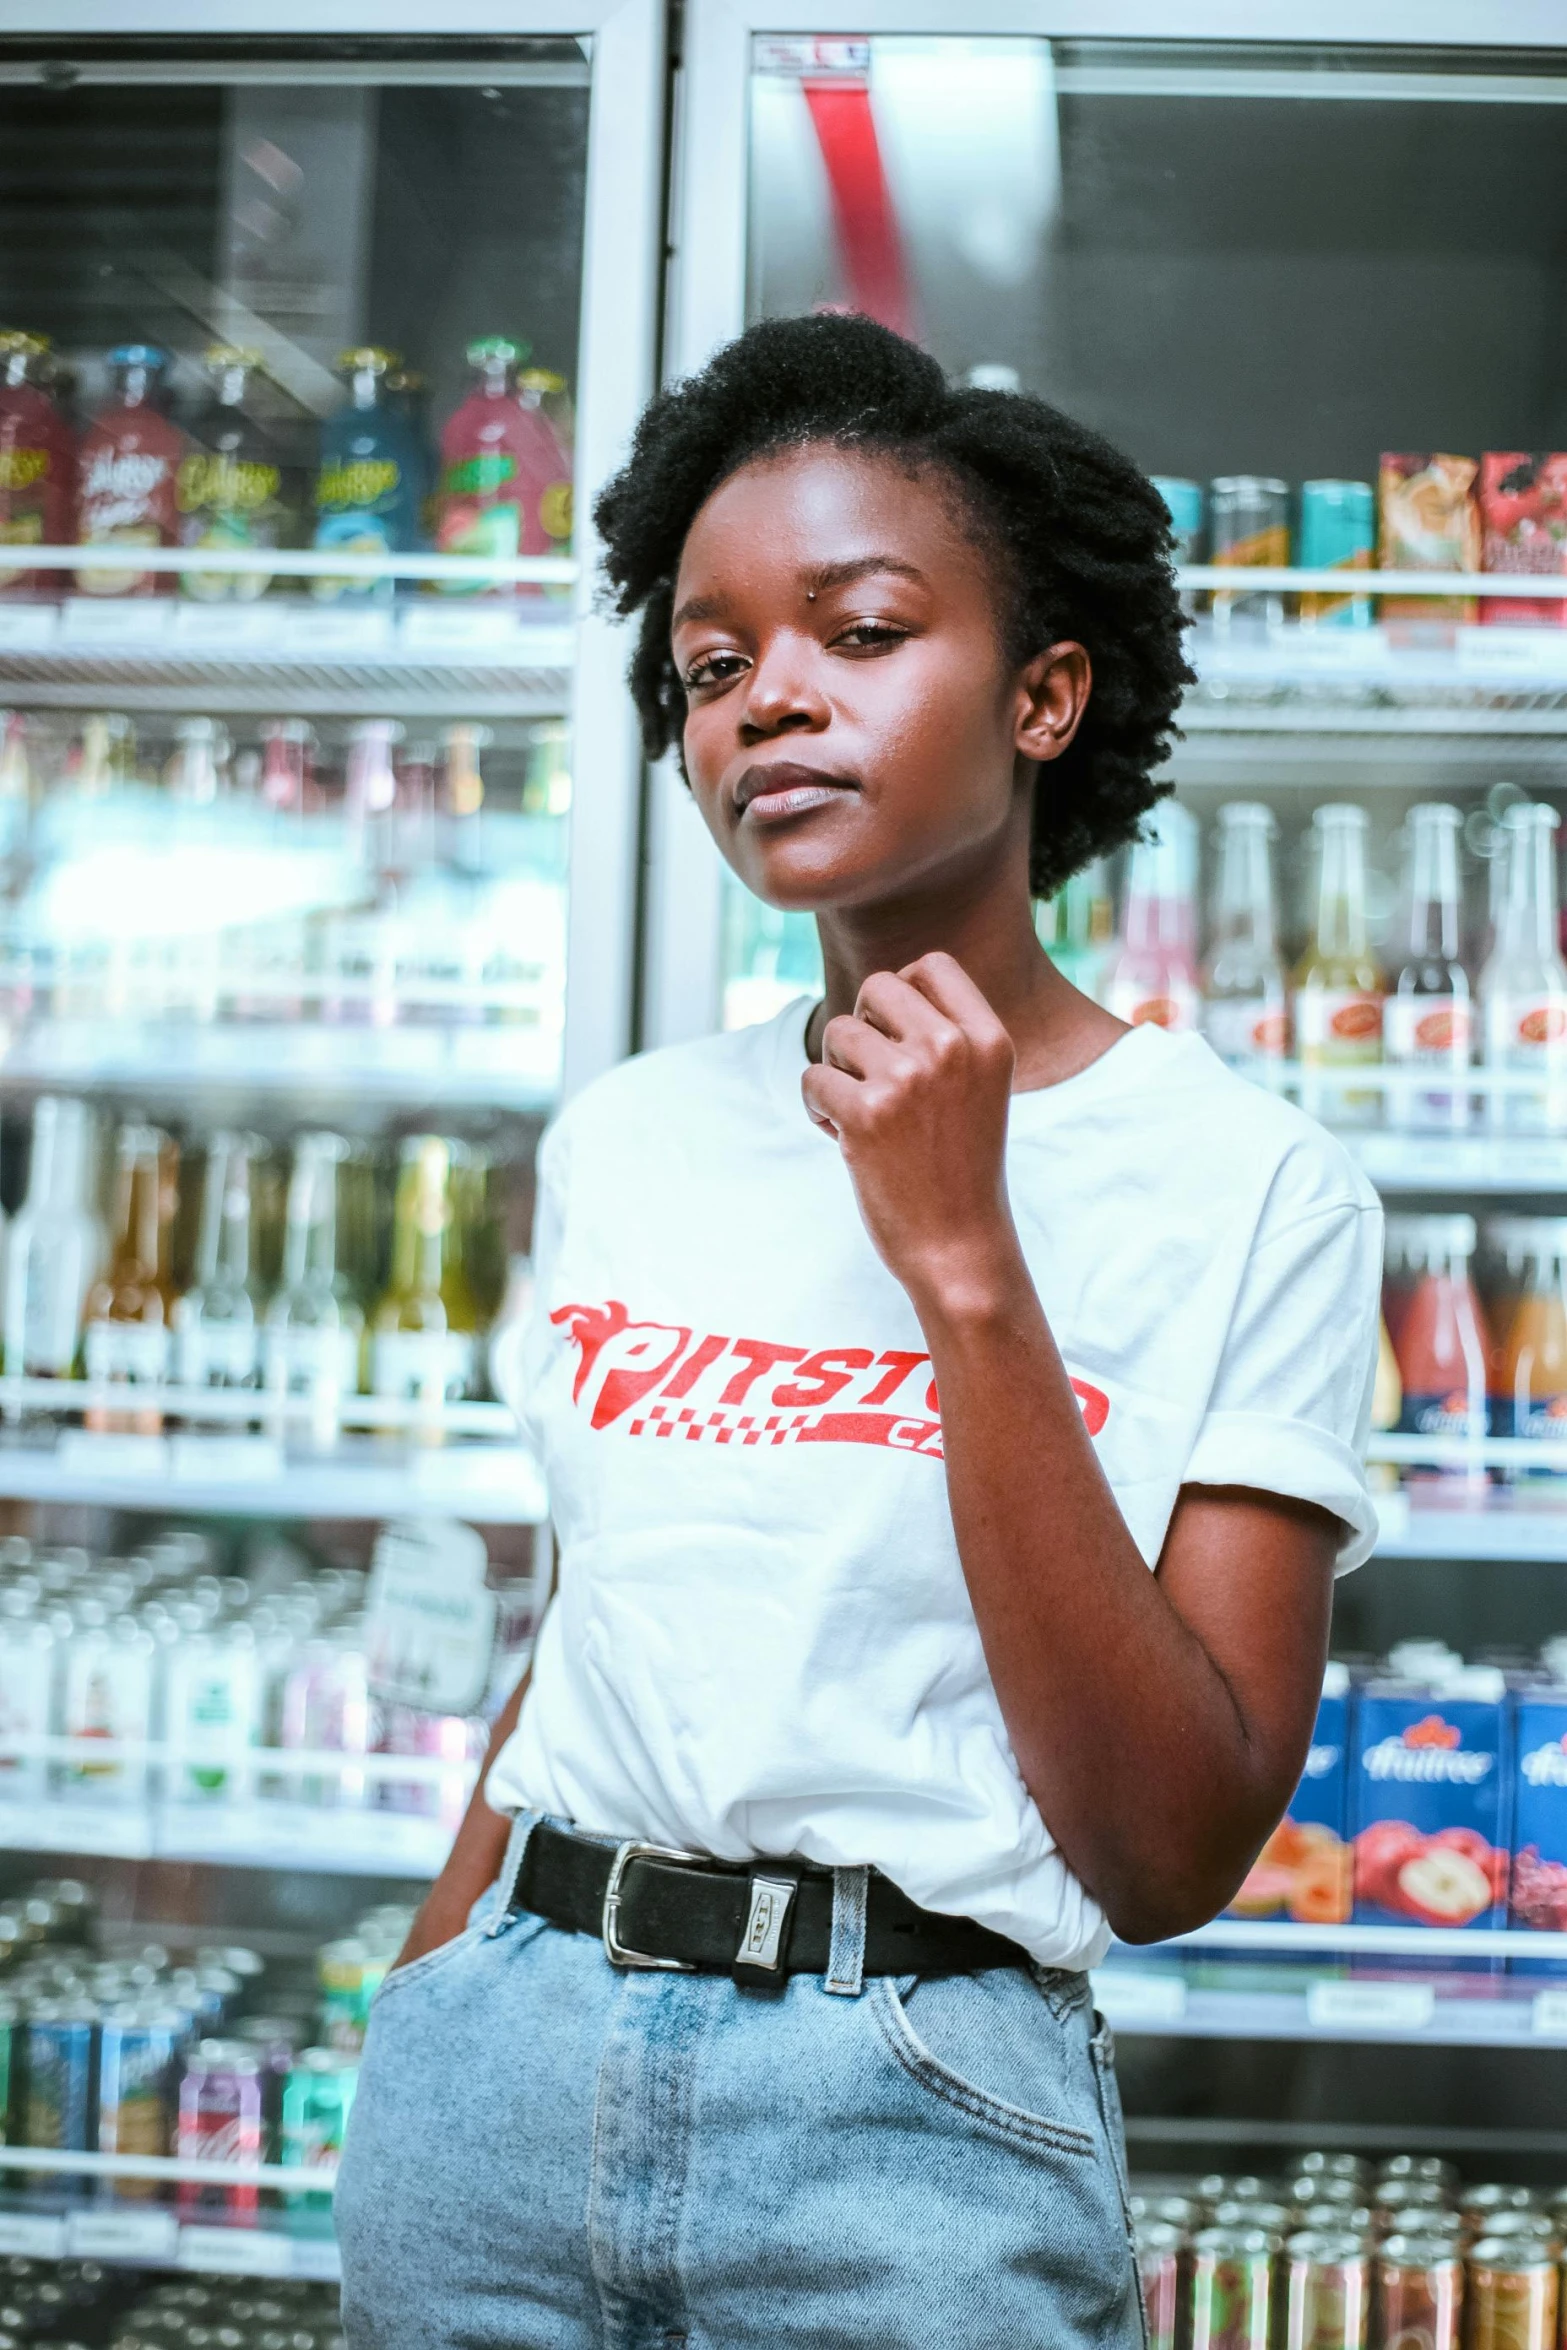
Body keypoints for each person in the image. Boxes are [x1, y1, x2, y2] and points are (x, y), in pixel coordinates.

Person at [336, 313, 1382, 2350]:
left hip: (912, 2117)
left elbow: (1171, 1841)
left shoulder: (1253, 1188)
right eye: (714, 665)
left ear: (1046, 691)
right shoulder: (630, 1137)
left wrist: (963, 1259)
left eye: (862, 630)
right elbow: (604, 1622)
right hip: (499, 2077)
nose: (768, 701)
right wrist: (424, 1991)